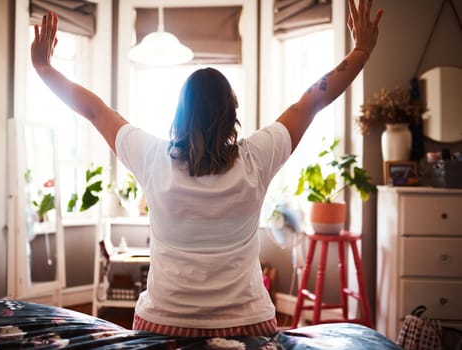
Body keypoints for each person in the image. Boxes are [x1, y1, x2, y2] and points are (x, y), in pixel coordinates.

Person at [30, 0, 382, 337]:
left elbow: (95, 111)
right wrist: (361, 52)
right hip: (248, 322)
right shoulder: (257, 157)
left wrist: (45, 69)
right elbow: (310, 104)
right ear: (232, 116)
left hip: (162, 323)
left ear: (179, 115)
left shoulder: (152, 157)